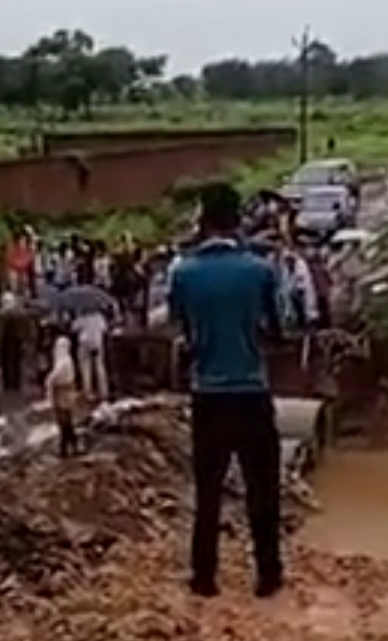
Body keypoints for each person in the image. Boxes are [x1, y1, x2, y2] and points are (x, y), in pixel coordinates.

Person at [168, 182, 285, 599]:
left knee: (208, 491)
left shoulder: (182, 273)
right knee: (263, 489)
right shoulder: (261, 270)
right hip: (252, 390)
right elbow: (277, 329)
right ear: (238, 220)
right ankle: (267, 577)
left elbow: (182, 328)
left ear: (202, 222)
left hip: (207, 395)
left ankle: (204, 578)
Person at [45, 335, 79, 457]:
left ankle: (65, 447)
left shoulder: (63, 361)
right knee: (66, 420)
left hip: (62, 392)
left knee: (64, 420)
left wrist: (49, 382)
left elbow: (54, 377)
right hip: (66, 391)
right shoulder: (67, 360)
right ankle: (70, 446)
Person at [71, 308, 110, 401]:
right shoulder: (99, 317)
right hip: (97, 343)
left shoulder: (81, 317)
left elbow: (73, 328)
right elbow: (104, 329)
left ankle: (88, 393)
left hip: (84, 344)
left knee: (85, 369)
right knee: (100, 367)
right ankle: (104, 392)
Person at [0, 292, 27, 392]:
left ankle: (8, 384)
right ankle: (15, 383)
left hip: (8, 342)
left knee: (7, 363)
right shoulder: (20, 313)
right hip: (17, 341)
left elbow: (1, 331)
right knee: (16, 363)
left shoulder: (5, 314)